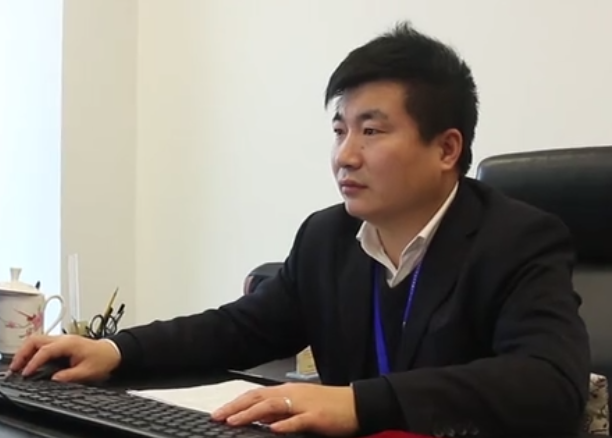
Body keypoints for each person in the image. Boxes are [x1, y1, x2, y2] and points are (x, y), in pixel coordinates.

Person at [10, 22, 590, 437]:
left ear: (446, 149)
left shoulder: (517, 239)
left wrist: (358, 403)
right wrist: (115, 349)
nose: (345, 155)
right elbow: (237, 329)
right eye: (340, 130)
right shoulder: (327, 238)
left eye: (371, 131)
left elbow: (549, 384)